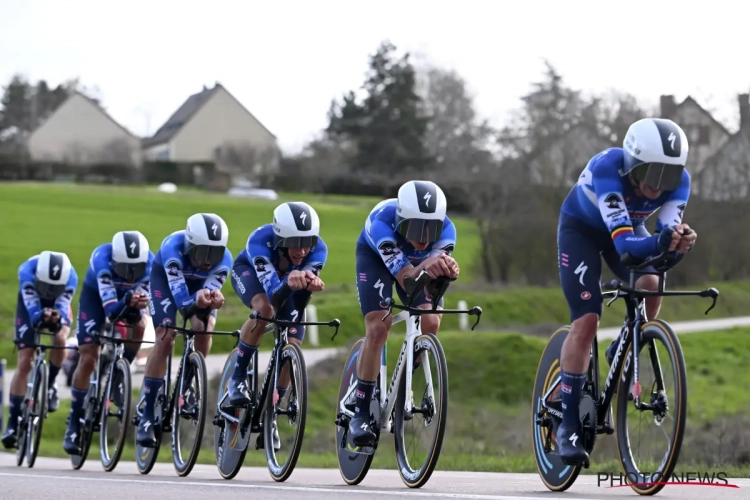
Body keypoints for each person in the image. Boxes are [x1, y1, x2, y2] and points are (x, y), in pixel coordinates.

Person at [554, 117, 697, 465]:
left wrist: (677, 245)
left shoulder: (682, 183)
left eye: (669, 175)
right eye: (652, 173)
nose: (659, 185)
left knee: (651, 283)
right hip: (583, 231)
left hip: (629, 230)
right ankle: (568, 425)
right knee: (587, 320)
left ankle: (627, 341)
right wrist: (661, 242)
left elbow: (662, 242)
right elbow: (626, 247)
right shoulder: (607, 168)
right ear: (633, 165)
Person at [348, 180, 460, 447]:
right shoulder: (382, 225)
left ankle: (404, 380)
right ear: (401, 220)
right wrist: (427, 263)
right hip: (377, 259)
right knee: (378, 327)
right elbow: (407, 279)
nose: (423, 237)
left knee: (430, 321)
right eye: (415, 227)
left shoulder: (448, 231)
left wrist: (447, 272)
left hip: (414, 265)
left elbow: (430, 284)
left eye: (430, 228)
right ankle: (361, 410)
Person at [227, 201, 327, 451]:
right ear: (281, 235)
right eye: (295, 241)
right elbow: (273, 294)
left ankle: (272, 408)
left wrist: (309, 286)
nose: (302, 250)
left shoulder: (318, 250)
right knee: (264, 310)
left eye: (308, 242)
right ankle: (237, 377)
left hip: (287, 286)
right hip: (251, 274)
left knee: (293, 344)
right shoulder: (260, 241)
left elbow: (299, 302)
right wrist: (291, 280)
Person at [135, 213, 233, 448]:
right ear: (190, 246)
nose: (209, 261)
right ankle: (147, 415)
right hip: (166, 286)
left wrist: (212, 300)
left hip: (198, 289)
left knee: (204, 327)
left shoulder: (225, 260)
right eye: (203, 253)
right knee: (166, 335)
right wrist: (197, 302)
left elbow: (204, 304)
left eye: (215, 253)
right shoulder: (172, 249)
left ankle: (189, 382)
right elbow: (182, 304)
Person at [62, 231, 154, 455]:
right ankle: (74, 422)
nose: (131, 274)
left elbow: (146, 308)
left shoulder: (151, 264)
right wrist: (129, 299)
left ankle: (120, 374)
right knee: (88, 357)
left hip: (127, 297)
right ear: (114, 262)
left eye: (137, 269)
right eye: (125, 268)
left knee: (140, 327)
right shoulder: (102, 260)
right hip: (96, 297)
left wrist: (138, 303)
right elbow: (112, 311)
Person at [2, 251, 78, 450]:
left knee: (60, 337)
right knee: (25, 361)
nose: (50, 291)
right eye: (47, 286)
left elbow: (62, 307)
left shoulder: (71, 278)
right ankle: (12, 422)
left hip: (57, 306)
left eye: (55, 287)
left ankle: (51, 384)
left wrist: (56, 318)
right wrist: (40, 315)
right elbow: (32, 309)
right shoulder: (26, 271)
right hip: (30, 307)